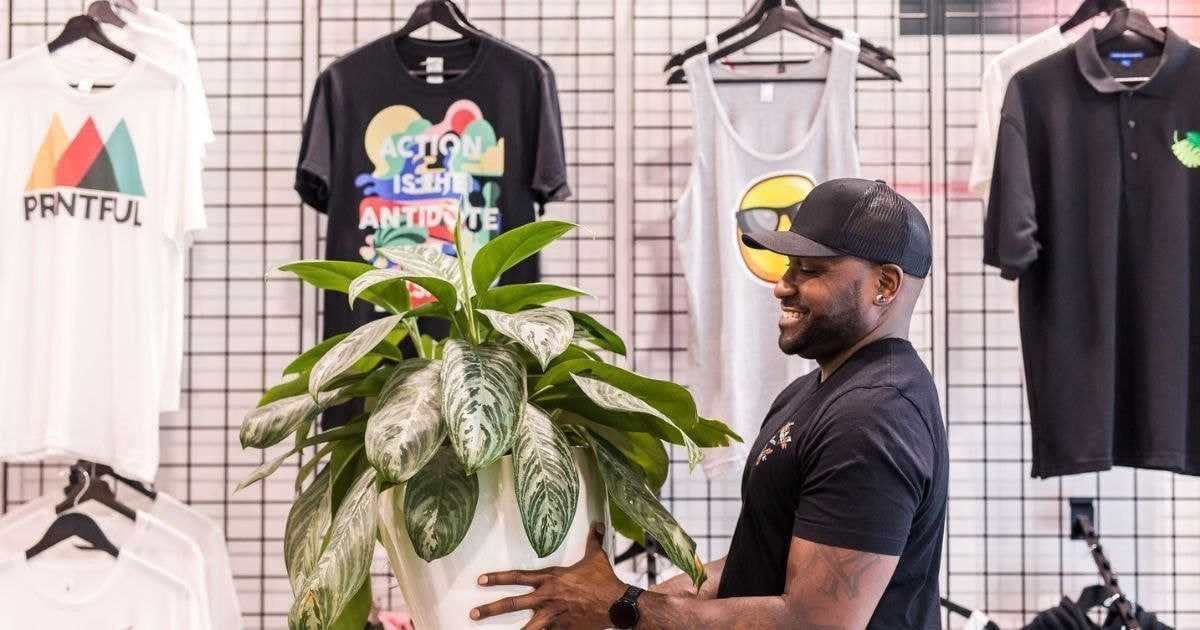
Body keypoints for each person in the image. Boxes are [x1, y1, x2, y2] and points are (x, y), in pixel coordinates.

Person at [473, 178, 948, 629]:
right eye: (787, 267)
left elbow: (815, 621)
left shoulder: (875, 414)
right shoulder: (813, 393)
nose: (783, 285)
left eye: (810, 271)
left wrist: (622, 607)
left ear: (884, 285)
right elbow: (763, 560)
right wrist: (634, 599)